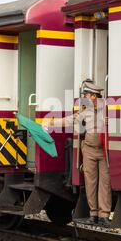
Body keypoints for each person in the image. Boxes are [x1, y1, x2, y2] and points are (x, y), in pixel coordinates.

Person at [42, 81, 112, 227]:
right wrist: (51, 122)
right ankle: (94, 214)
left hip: (104, 151)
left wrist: (110, 122)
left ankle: (104, 215)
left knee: (104, 183)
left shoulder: (107, 109)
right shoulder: (85, 110)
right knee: (90, 183)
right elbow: (70, 120)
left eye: (86, 94)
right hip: (89, 150)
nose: (84, 97)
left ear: (93, 96)